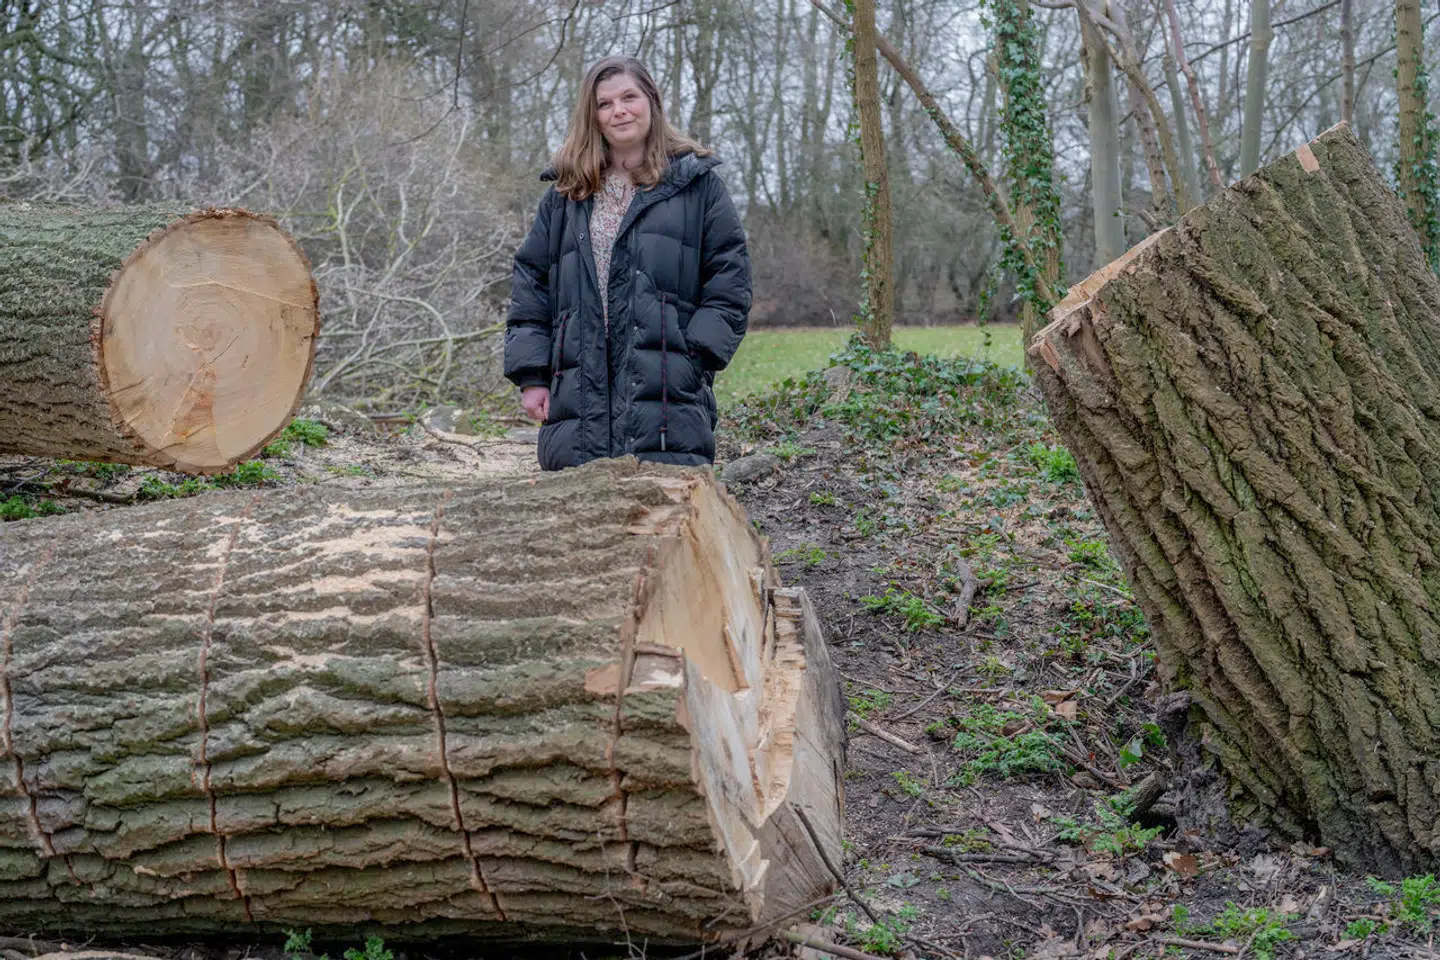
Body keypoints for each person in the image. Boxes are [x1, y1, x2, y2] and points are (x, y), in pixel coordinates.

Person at [503, 56, 751, 470]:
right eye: (605, 103)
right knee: (578, 527)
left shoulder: (698, 186)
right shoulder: (566, 195)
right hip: (577, 401)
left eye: (629, 97)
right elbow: (531, 287)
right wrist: (532, 376)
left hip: (670, 401)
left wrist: (695, 360)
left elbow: (730, 280)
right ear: (593, 116)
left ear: (650, 101)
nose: (619, 110)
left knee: (668, 524)